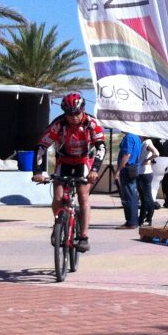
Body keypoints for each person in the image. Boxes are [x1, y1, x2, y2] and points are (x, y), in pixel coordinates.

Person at [32, 93, 105, 252]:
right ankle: (58, 223)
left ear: (83, 110)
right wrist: (38, 171)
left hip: (84, 161)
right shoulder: (58, 124)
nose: (73, 117)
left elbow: (101, 147)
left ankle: (84, 236)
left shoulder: (91, 123)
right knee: (58, 196)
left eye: (76, 113)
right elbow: (41, 147)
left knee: (82, 195)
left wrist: (94, 170)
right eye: (69, 114)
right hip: (64, 161)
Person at [117, 130, 144, 228]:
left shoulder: (128, 137)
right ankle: (134, 220)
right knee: (132, 194)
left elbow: (127, 155)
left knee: (128, 196)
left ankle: (131, 222)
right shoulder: (136, 137)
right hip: (134, 167)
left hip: (128, 168)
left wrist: (119, 170)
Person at [137, 136, 158, 226]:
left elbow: (156, 153)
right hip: (141, 172)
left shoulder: (147, 142)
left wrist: (148, 160)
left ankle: (149, 217)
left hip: (145, 173)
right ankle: (142, 218)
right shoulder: (143, 143)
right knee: (143, 198)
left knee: (147, 197)